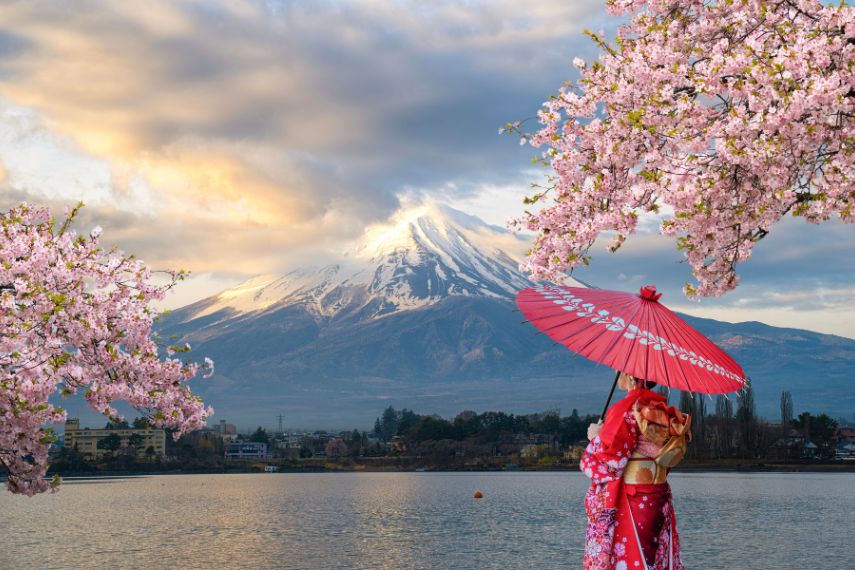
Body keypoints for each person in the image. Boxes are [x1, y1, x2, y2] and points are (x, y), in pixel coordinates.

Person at [580, 372, 692, 570]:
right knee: (652, 558)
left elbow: (609, 463)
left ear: (631, 376)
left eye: (619, 372)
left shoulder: (625, 410)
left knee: (633, 560)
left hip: (632, 501)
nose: (616, 376)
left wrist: (596, 438)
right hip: (658, 498)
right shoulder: (663, 411)